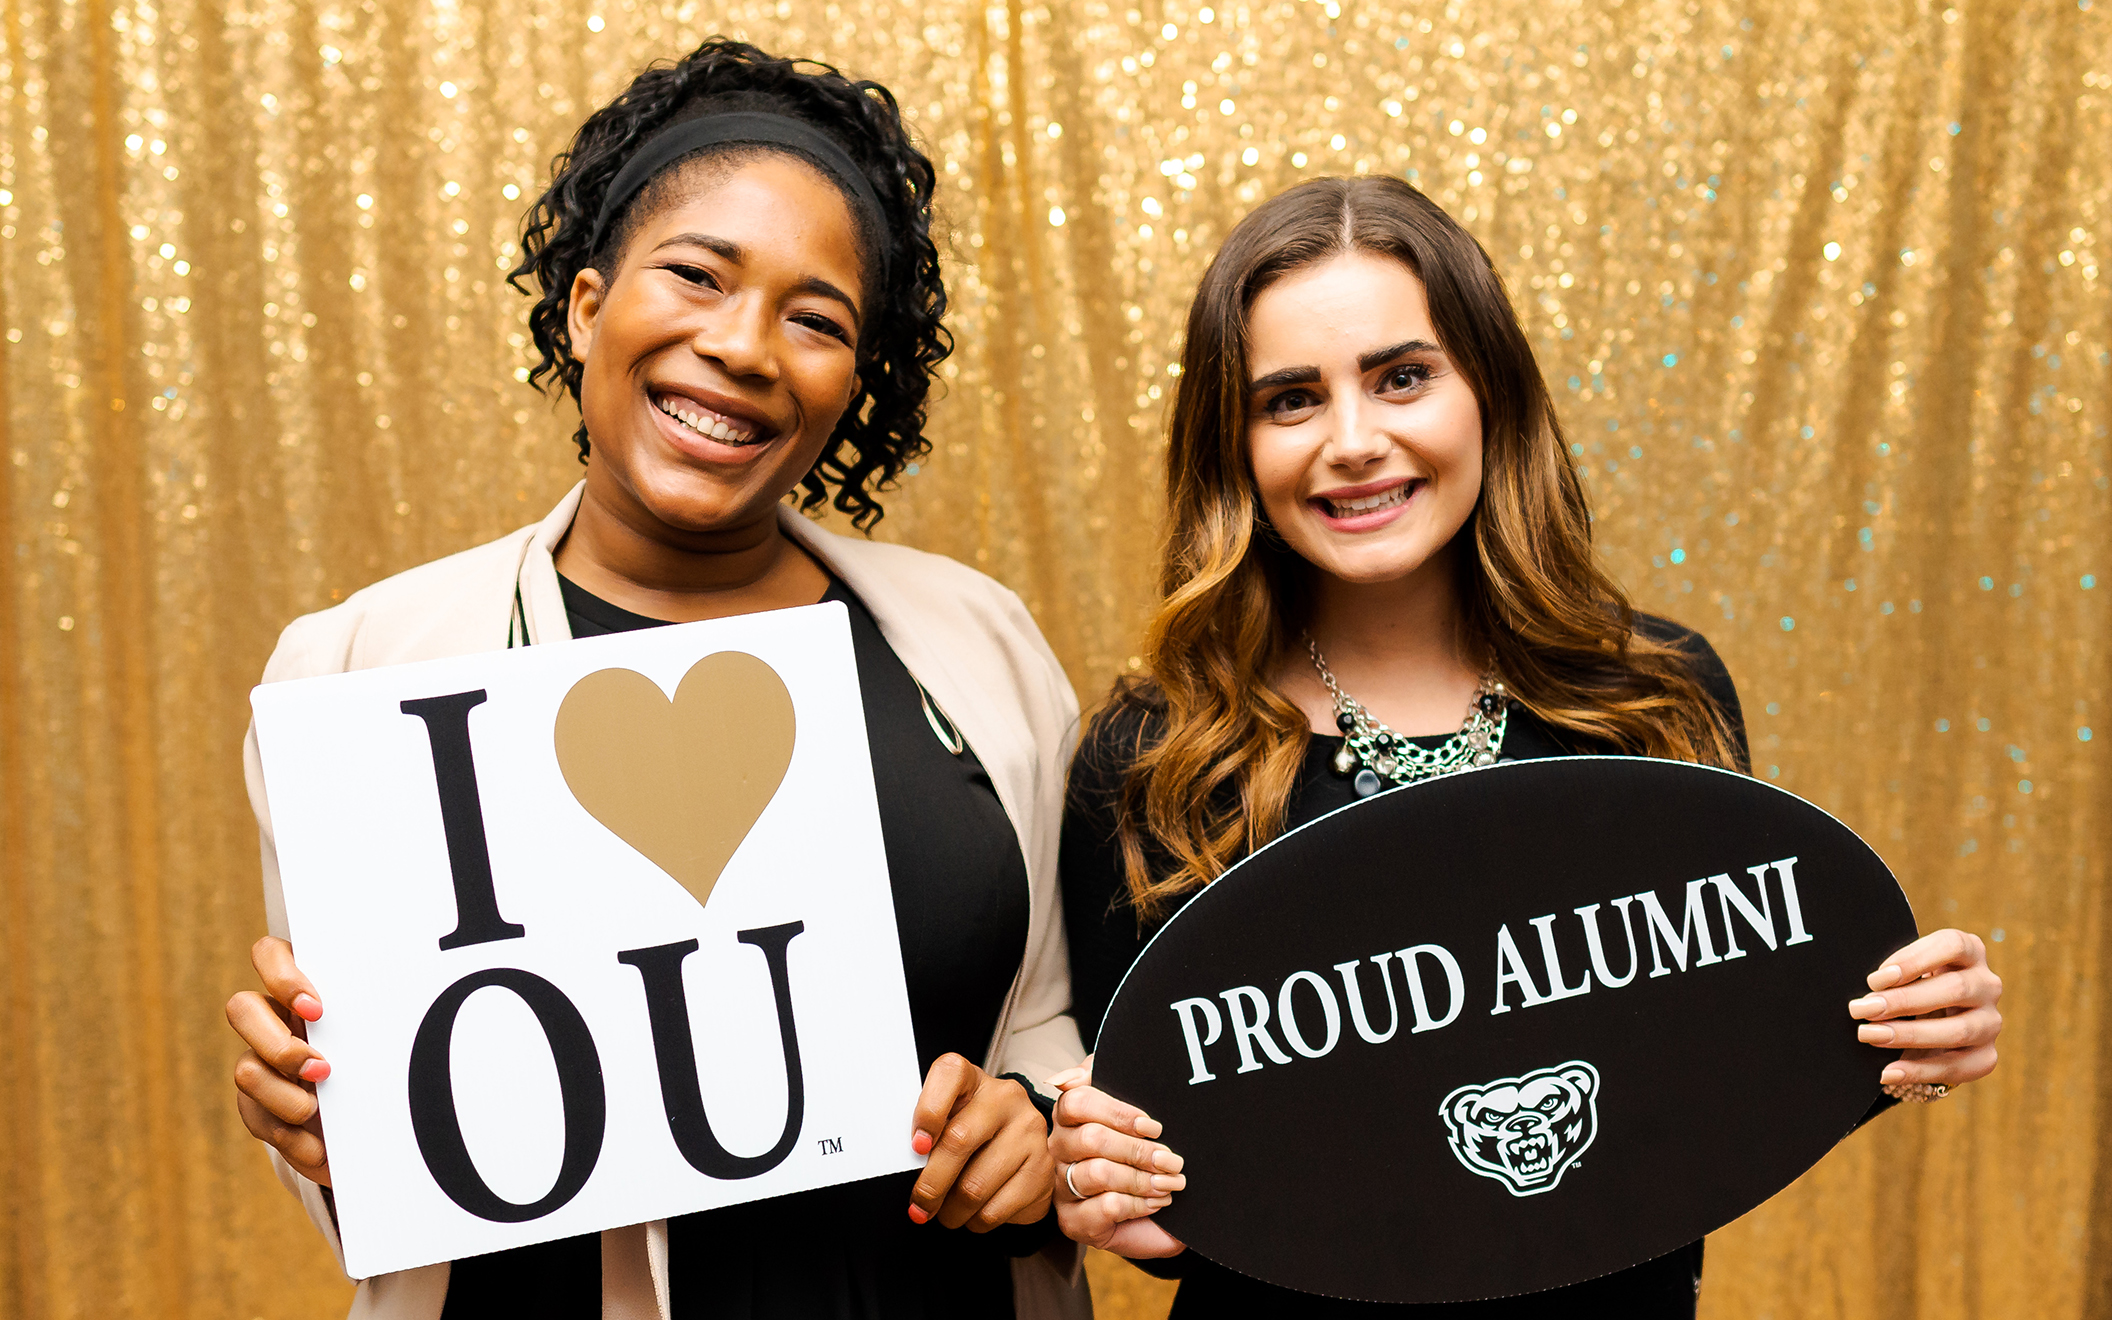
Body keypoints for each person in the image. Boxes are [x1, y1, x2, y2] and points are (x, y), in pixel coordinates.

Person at [225, 39, 1090, 1320]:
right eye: (695, 275)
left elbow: (1049, 1030)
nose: (744, 348)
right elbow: (393, 1172)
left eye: (815, 320)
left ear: (852, 385)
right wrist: (321, 1120)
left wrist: (1037, 1128)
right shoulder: (365, 668)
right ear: (586, 307)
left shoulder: (978, 647)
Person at [1044, 175, 2005, 1315]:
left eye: (1403, 377)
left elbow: (1707, 1078)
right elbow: (1165, 1179)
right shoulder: (1154, 756)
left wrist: (1898, 1036)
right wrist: (1105, 1187)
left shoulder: (1651, 699)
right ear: (1233, 445)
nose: (1354, 442)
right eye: (1289, 399)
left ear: (1488, 394)